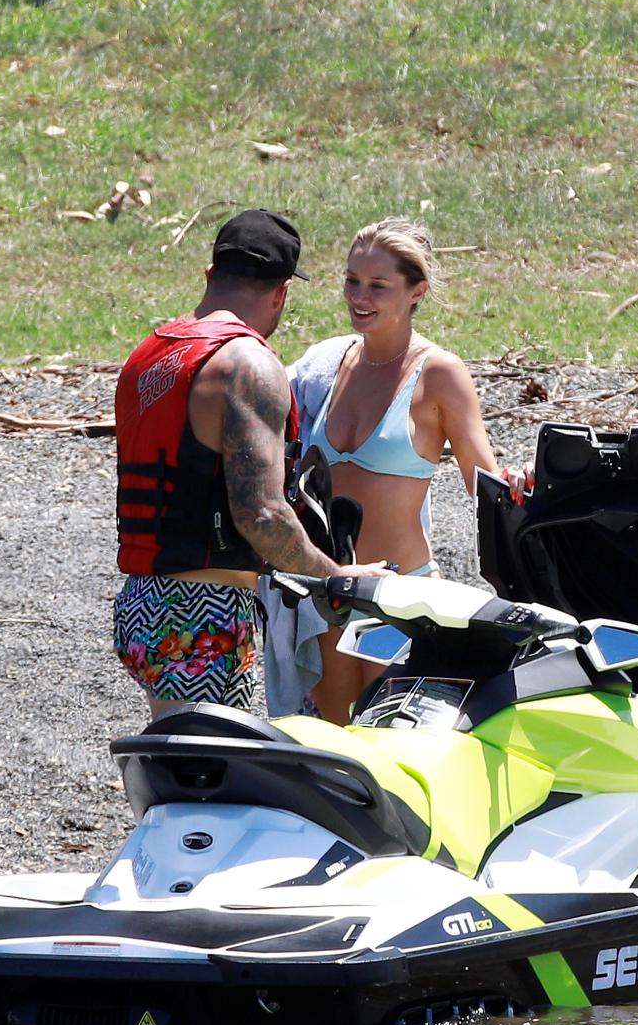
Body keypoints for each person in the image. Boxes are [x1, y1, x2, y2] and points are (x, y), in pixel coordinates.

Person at [112, 208, 391, 719]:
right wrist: (335, 581)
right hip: (201, 610)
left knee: (184, 764)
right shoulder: (246, 364)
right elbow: (262, 516)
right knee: (210, 778)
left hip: (142, 600)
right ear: (282, 290)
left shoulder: (150, 352)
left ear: (210, 274)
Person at [279, 217, 531, 725]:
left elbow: (482, 481)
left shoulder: (439, 374)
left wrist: (520, 483)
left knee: (388, 748)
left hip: (400, 595)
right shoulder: (333, 364)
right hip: (334, 590)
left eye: (377, 286)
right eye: (352, 280)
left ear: (417, 291)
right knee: (330, 749)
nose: (359, 296)